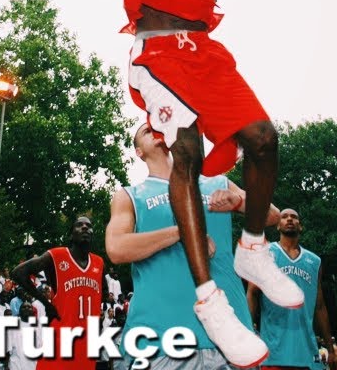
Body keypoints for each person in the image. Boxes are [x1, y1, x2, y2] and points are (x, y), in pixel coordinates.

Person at [86, 0, 303, 365]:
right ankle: (209, 298)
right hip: (157, 53)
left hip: (202, 52)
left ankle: (253, 247)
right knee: (185, 152)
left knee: (263, 140)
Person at [106, 123, 280, 370]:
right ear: (138, 152)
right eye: (146, 131)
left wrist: (239, 199)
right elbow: (116, 248)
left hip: (230, 341)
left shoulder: (216, 183)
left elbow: (273, 216)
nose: (154, 130)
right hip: (161, 342)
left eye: (157, 126)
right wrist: (185, 232)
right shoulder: (131, 195)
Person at [247, 209, 335, 370]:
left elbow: (320, 307)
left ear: (300, 227)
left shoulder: (314, 261)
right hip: (274, 350)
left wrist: (330, 347)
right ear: (278, 226)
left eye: (294, 217)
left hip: (307, 351)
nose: (289, 219)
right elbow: (252, 293)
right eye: (284, 217)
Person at [12, 217, 103, 370]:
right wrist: (46, 303)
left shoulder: (99, 263)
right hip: (61, 340)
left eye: (89, 225)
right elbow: (18, 273)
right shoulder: (57, 255)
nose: (85, 228)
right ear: (71, 235)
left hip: (87, 344)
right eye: (79, 225)